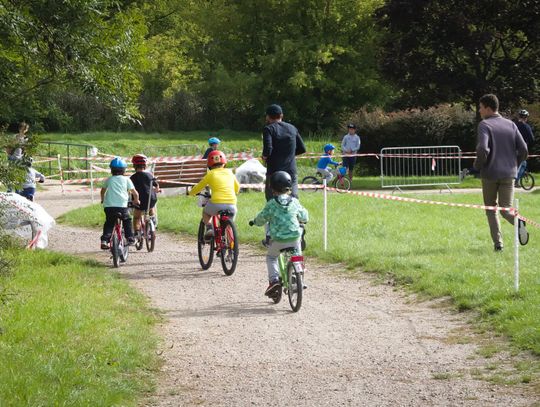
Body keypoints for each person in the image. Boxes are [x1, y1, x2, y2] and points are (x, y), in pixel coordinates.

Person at [473, 94, 529, 251]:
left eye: (481, 107)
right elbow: (524, 149)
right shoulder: (511, 124)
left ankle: (498, 244)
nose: (479, 110)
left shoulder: (484, 125)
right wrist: (515, 165)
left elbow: (483, 149)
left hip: (490, 174)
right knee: (506, 209)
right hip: (509, 174)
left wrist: (477, 165)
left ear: (488, 108)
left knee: (491, 209)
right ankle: (519, 222)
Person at [250, 171, 309, 297]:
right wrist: (303, 220)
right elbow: (304, 216)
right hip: (294, 237)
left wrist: (254, 222)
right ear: (289, 187)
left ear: (272, 188)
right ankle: (298, 275)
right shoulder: (294, 201)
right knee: (297, 254)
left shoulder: (271, 203)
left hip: (278, 239)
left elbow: (262, 218)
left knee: (271, 257)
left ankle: (274, 281)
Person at [188, 150, 240, 240]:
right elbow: (237, 188)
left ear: (210, 164)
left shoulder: (210, 174)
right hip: (232, 204)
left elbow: (199, 187)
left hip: (216, 203)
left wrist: (191, 193)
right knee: (229, 224)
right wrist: (234, 192)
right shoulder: (230, 172)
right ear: (224, 163)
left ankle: (209, 228)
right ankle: (231, 246)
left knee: (206, 212)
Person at [262, 104, 306, 201]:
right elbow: (302, 148)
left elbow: (268, 149)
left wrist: (264, 157)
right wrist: (289, 155)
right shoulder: (292, 128)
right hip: (291, 169)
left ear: (268, 116)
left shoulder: (268, 129)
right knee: (293, 198)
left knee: (272, 199)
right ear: (281, 115)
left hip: (274, 170)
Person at [100, 157, 139, 250]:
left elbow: (102, 191)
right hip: (122, 207)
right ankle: (130, 238)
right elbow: (135, 193)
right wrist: (136, 200)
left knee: (109, 223)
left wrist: (102, 199)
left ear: (111, 170)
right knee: (127, 220)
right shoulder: (126, 180)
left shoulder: (109, 179)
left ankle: (105, 240)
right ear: (124, 170)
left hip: (109, 207)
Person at [130, 154, 159, 235]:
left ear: (134, 166)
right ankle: (152, 219)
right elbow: (156, 185)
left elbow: (129, 189)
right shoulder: (149, 175)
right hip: (151, 199)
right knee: (151, 206)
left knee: (136, 217)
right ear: (145, 166)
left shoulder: (132, 178)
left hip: (139, 201)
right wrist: (157, 190)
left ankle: (137, 233)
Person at [515, 109, 535, 186]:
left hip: (512, 148)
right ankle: (516, 181)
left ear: (519, 117)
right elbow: (532, 139)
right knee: (523, 164)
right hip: (522, 149)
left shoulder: (514, 125)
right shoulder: (526, 127)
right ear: (526, 118)